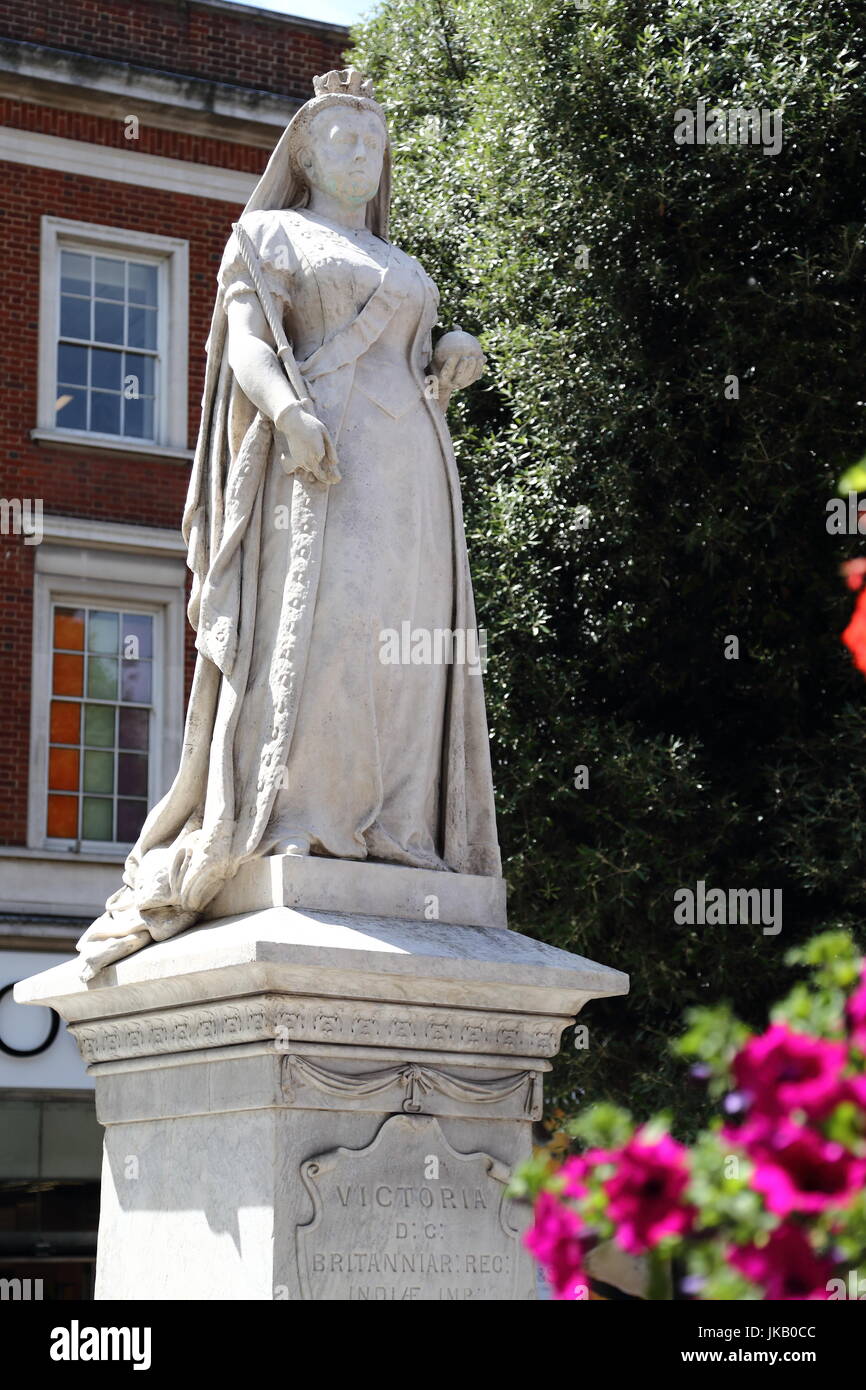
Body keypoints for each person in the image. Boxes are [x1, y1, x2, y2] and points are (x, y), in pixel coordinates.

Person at [76, 68, 501, 981]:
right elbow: (246, 339)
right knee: (329, 634)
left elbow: (417, 360)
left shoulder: (407, 267)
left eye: (373, 143)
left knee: (406, 646)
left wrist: (450, 352)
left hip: (411, 468)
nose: (361, 154)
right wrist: (285, 413)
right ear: (303, 154)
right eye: (342, 140)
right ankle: (305, 818)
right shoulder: (267, 234)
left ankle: (397, 829)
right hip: (320, 458)